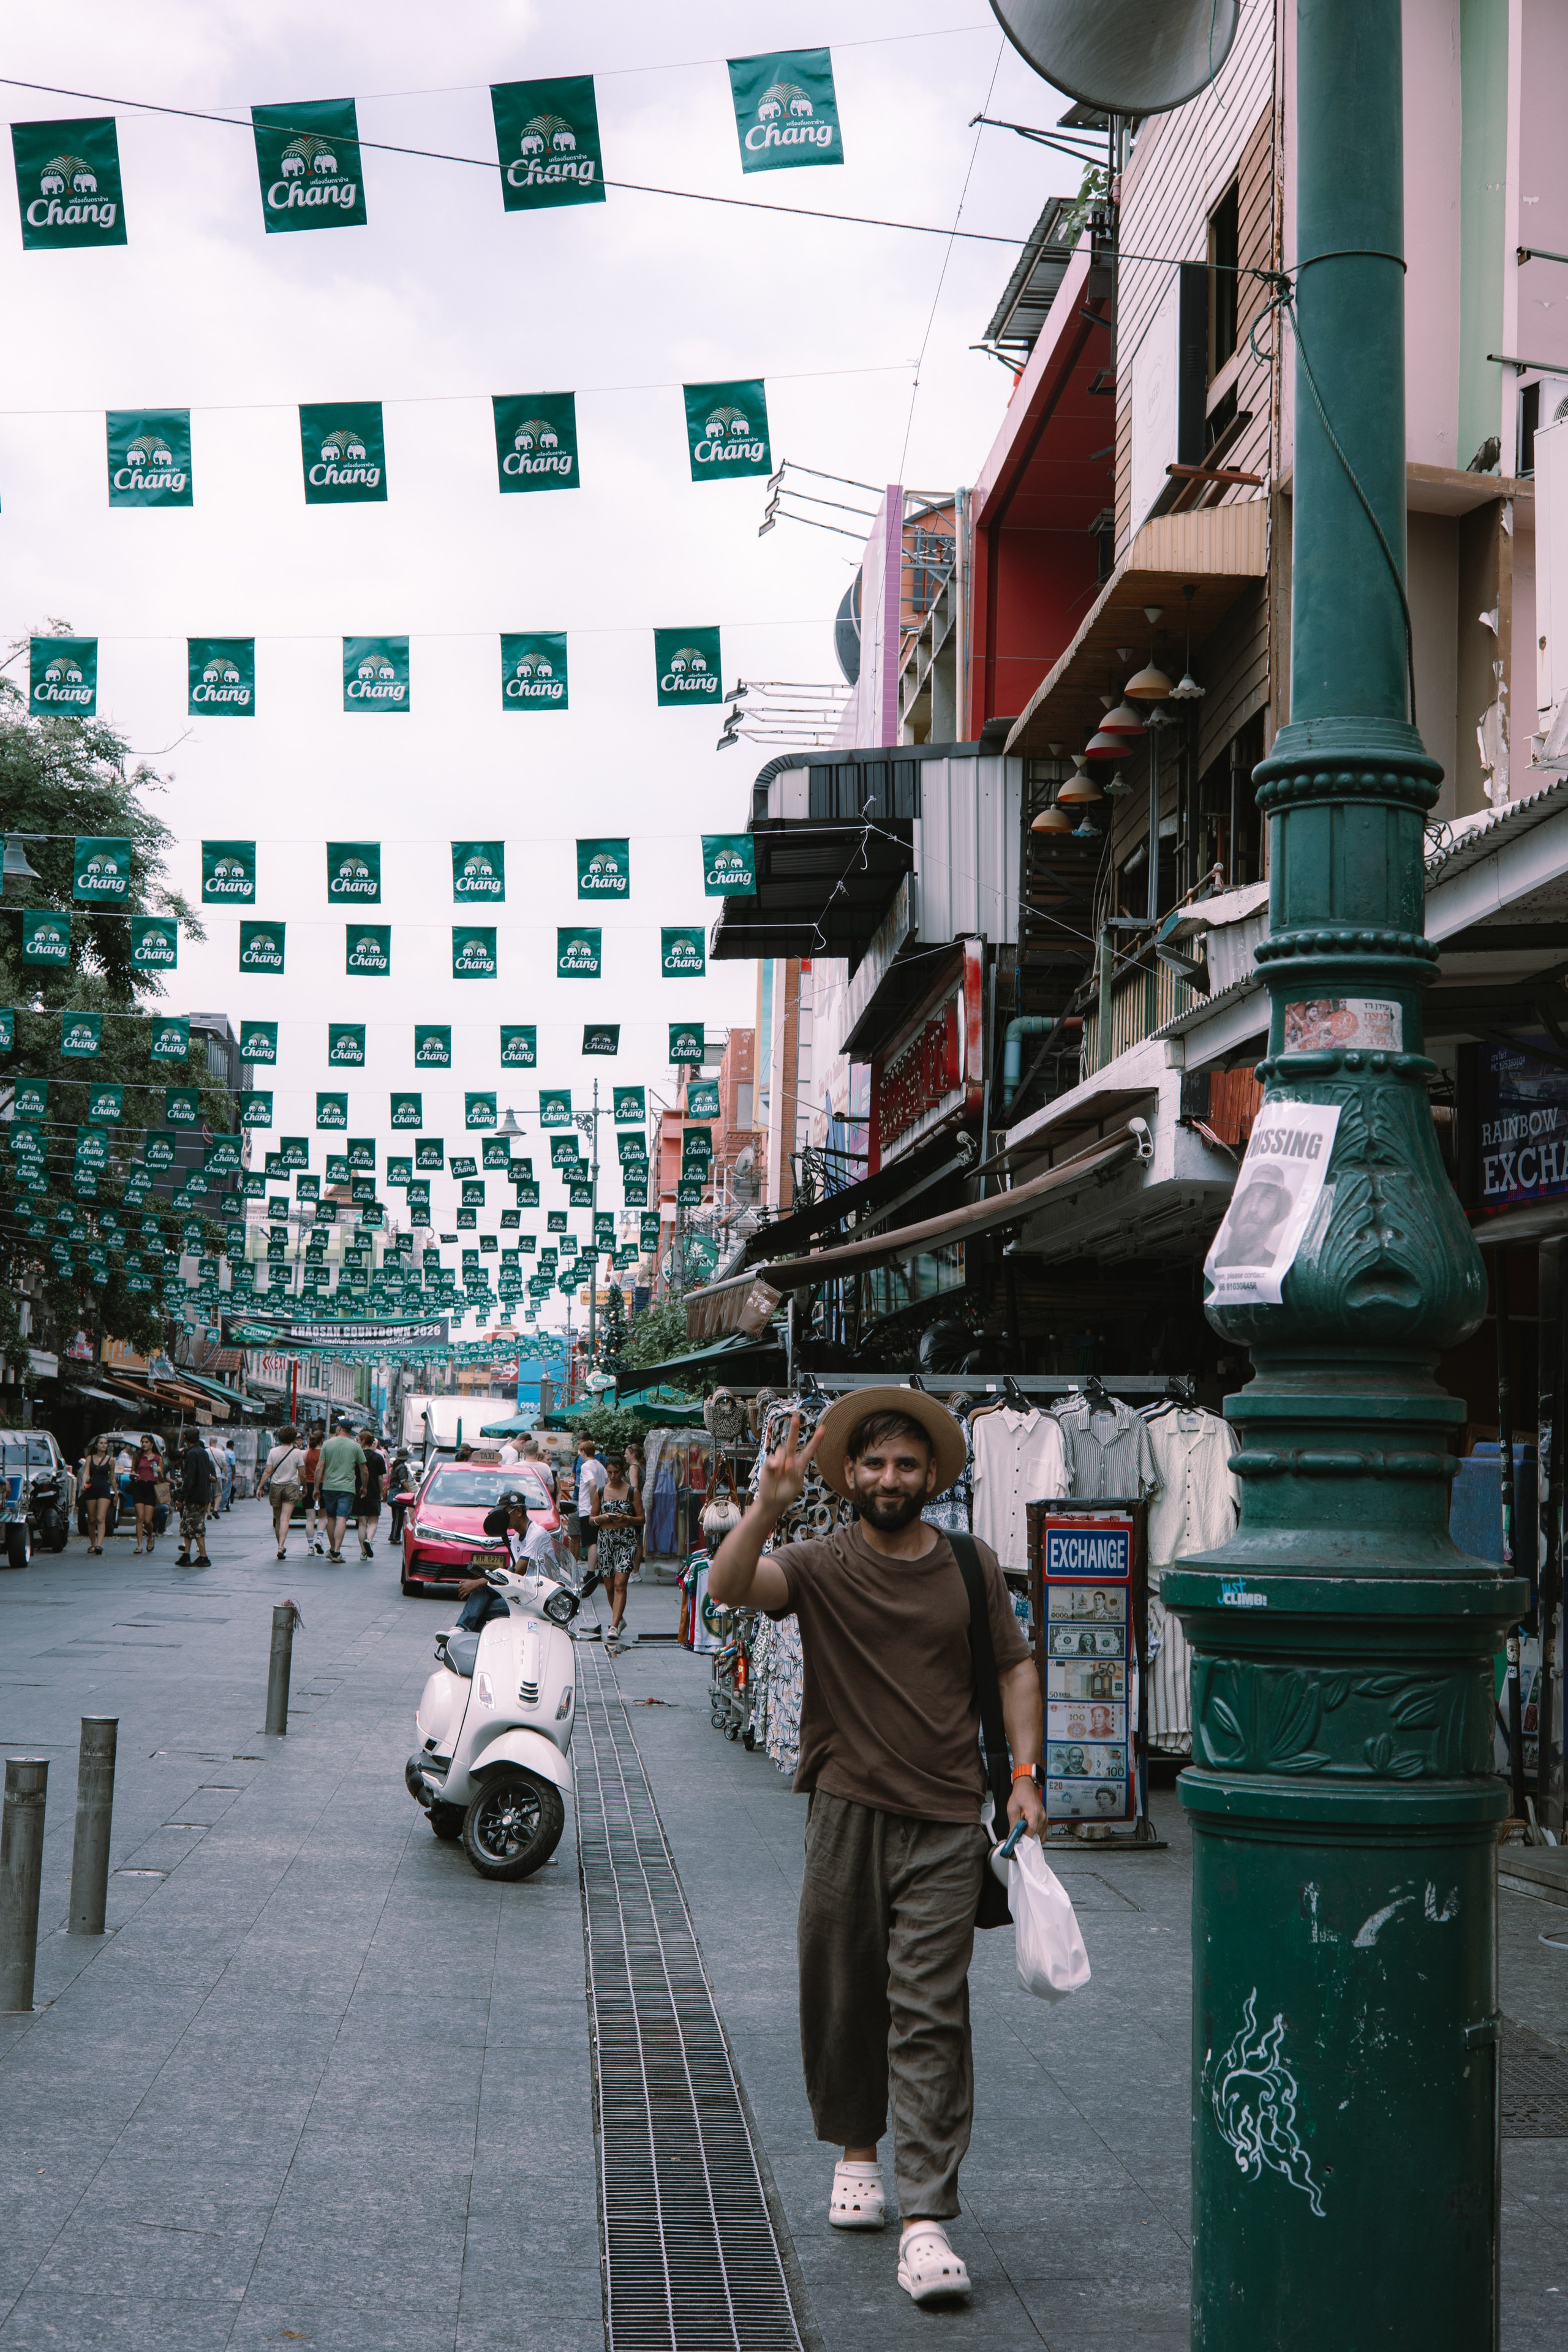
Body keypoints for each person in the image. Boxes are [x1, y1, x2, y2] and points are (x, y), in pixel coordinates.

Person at [707, 1390, 1045, 2309]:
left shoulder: (972, 1567)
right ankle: (858, 2151)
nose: (890, 1479)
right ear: (849, 1477)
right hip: (844, 1810)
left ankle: (928, 2217)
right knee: (845, 1990)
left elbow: (1015, 1665)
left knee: (931, 2007)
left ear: (933, 1477)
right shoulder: (817, 1564)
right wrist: (767, 1505)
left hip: (944, 1818)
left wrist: (1023, 1773)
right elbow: (729, 1589)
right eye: (874, 1465)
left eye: (907, 1465)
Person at [590, 1450, 644, 1646]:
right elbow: (591, 1519)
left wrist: (627, 1518)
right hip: (605, 1539)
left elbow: (642, 1519)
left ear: (623, 1471)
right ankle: (619, 1619)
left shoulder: (632, 1492)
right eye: (610, 1473)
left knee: (621, 1583)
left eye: (616, 1472)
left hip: (626, 1539)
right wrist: (602, 1518)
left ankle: (613, 1625)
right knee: (610, 1585)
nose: (613, 1476)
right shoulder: (601, 1492)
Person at [314, 1420, 366, 1562]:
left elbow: (319, 1468)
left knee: (331, 1518)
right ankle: (336, 1551)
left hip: (329, 1487)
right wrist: (364, 1487)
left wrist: (316, 1488)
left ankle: (332, 1549)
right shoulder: (356, 1447)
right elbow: (364, 1471)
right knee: (342, 1518)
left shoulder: (327, 1444)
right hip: (347, 1489)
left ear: (339, 1428)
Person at [257, 1427, 307, 1560]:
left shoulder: (273, 1452)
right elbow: (302, 1473)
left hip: (276, 1486)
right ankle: (281, 1546)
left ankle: (279, 1545)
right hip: (291, 1486)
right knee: (286, 1518)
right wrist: (304, 1487)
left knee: (278, 1519)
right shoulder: (297, 1453)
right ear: (293, 1438)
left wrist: (260, 1487)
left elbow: (268, 1471)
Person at [175, 1431, 216, 1566]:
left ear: (185, 1438)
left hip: (194, 1495)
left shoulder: (192, 1455)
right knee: (187, 1525)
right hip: (203, 1493)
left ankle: (204, 1557)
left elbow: (190, 1478)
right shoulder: (203, 1453)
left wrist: (181, 1497)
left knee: (197, 1526)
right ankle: (186, 1554)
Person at [575, 1437, 608, 1563]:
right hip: (600, 1509)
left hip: (587, 1509)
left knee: (591, 1542)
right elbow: (607, 1482)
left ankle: (590, 1572)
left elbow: (592, 1484)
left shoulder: (585, 1466)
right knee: (598, 1540)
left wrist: (593, 1501)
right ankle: (600, 1568)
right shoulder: (600, 1466)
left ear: (583, 1452)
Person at [356, 1426, 386, 1559]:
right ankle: (369, 1539)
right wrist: (381, 1493)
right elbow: (381, 1478)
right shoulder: (378, 1457)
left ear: (363, 1441)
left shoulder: (357, 1457)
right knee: (373, 1522)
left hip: (359, 1491)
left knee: (362, 1523)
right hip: (374, 1492)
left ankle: (363, 1552)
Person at [81, 1436, 116, 1553]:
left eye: (105, 1443)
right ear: (96, 1445)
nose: (103, 1445)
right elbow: (86, 1472)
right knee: (91, 1520)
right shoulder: (90, 1458)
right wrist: (83, 1483)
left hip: (104, 1490)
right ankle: (93, 1544)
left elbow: (112, 1477)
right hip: (91, 1489)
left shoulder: (110, 1460)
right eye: (101, 1443)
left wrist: (116, 1493)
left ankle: (99, 1545)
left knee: (101, 1518)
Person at [130, 1437, 160, 1556]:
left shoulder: (158, 1458)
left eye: (146, 1442)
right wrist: (133, 1475)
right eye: (142, 1442)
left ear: (152, 1444)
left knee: (148, 1520)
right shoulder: (138, 1457)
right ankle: (139, 1545)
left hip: (151, 1487)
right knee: (140, 1517)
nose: (144, 1444)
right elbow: (133, 1472)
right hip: (139, 1487)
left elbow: (160, 1478)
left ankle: (150, 1536)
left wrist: (159, 1471)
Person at [299, 1424, 325, 1555]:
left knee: (310, 1519)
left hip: (308, 1485)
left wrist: (301, 1487)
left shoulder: (306, 1453)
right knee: (323, 1516)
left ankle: (310, 1547)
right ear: (323, 1441)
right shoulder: (325, 1453)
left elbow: (302, 1472)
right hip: (323, 1484)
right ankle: (319, 1539)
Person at [388, 1450, 416, 1543]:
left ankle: (394, 1536)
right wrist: (410, 1492)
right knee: (398, 1517)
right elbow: (403, 1481)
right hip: (399, 1495)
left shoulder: (397, 1466)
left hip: (395, 1493)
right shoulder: (402, 1467)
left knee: (397, 1517)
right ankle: (394, 1537)